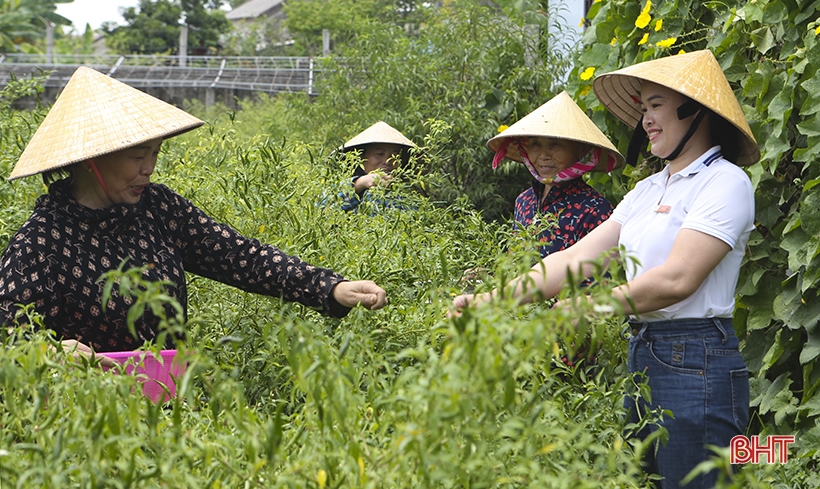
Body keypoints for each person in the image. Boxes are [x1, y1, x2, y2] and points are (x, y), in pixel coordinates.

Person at [453, 50, 759, 489]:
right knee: (642, 481)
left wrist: (588, 308)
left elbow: (677, 280)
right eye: (644, 108)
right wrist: (490, 299)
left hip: (696, 360)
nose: (646, 119)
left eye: (656, 105)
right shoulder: (647, 189)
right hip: (645, 350)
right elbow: (573, 259)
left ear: (696, 110)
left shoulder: (725, 182)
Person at [0, 66, 388, 358]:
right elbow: (12, 344)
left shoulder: (158, 208)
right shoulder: (38, 245)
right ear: (91, 160)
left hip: (169, 406)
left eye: (155, 154)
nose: (148, 168)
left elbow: (240, 256)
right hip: (88, 430)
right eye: (137, 156)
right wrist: (49, 354)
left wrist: (328, 287)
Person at [487, 90, 623, 257]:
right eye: (536, 144)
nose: (544, 155)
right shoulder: (524, 201)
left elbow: (599, 276)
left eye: (555, 145)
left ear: (582, 150)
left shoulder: (596, 209)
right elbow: (514, 263)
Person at [337, 121, 416, 212]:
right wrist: (361, 183)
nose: (387, 161)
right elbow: (324, 208)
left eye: (395, 156)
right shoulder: (339, 188)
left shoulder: (407, 198)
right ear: (361, 158)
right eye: (379, 154)